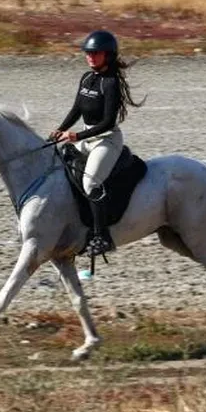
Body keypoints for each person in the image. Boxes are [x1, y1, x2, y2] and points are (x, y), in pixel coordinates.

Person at [50, 30, 141, 256]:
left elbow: (108, 123)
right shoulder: (87, 78)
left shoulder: (110, 83)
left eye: (95, 53)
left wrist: (76, 137)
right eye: (88, 53)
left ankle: (102, 237)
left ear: (108, 55)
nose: (90, 57)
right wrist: (61, 129)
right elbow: (77, 109)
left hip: (106, 139)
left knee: (91, 183)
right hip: (86, 135)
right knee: (58, 163)